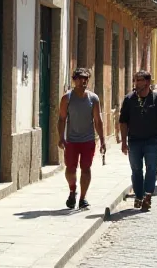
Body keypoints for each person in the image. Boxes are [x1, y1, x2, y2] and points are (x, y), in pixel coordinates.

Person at [120, 71, 157, 211]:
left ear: (147, 82)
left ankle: (147, 195)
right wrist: (124, 142)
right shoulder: (129, 99)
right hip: (134, 140)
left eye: (139, 80)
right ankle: (139, 195)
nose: (136, 83)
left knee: (151, 168)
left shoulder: (156, 98)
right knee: (136, 169)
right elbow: (123, 122)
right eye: (135, 80)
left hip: (152, 140)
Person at [58, 68, 106, 210]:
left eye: (85, 78)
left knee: (86, 168)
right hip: (72, 140)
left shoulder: (93, 98)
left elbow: (98, 121)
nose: (83, 81)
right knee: (70, 169)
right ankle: (72, 190)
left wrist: (102, 140)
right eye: (79, 78)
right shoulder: (67, 98)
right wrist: (61, 137)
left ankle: (83, 198)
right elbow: (61, 119)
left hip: (88, 140)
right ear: (74, 80)